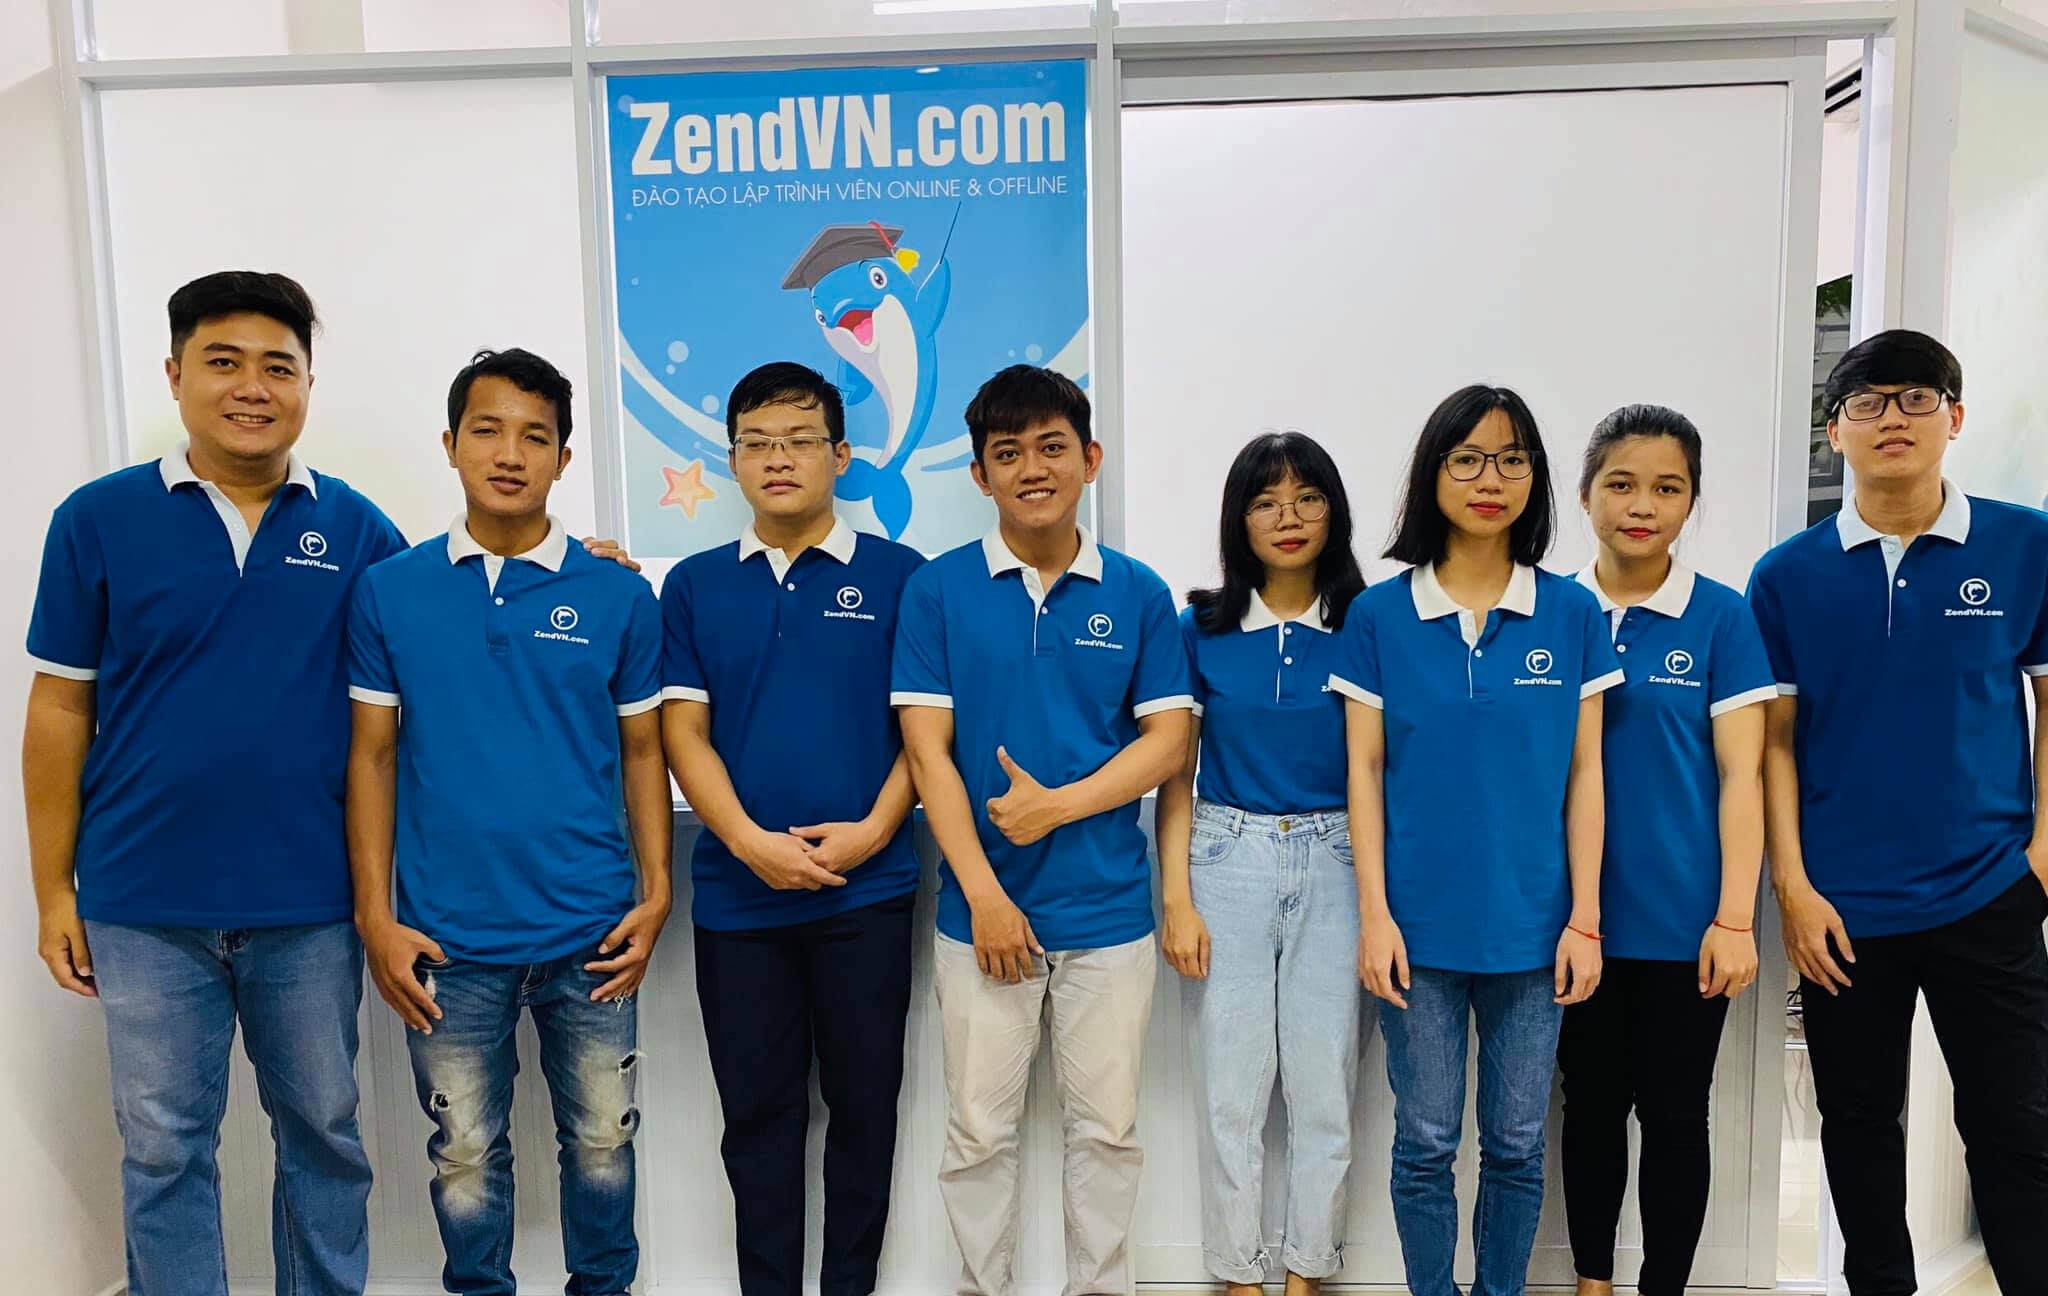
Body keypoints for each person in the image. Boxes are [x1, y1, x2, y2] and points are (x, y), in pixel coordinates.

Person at [24, 272, 400, 1296]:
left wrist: (571, 564)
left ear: (308, 383)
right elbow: (59, 712)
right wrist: (55, 890)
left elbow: (437, 644)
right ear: (175, 374)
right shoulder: (98, 519)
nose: (252, 388)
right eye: (223, 362)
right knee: (162, 1149)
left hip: (310, 900)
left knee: (324, 1133)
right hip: (143, 902)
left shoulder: (358, 530)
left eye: (278, 366)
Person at [346, 348, 671, 1296]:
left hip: (592, 930)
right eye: (487, 430)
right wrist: (375, 916)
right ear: (450, 444)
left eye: (535, 436)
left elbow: (643, 752)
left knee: (604, 1142)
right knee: (464, 1153)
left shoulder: (617, 595)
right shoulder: (390, 590)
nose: (509, 453)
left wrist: (656, 892)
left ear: (563, 459)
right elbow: (371, 756)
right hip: (448, 938)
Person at [1747, 329, 2048, 1295]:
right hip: (1842, 907)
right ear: (1836, 430)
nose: (1893, 418)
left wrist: (2043, 853)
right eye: (1868, 402)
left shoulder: (2026, 544)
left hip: (1989, 891)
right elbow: (1774, 743)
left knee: (2016, 1126)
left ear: (1954, 418)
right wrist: (1793, 887)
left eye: (1918, 397)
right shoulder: (1786, 575)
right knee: (1858, 1126)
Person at [890, 365, 1194, 1296]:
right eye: (1009, 452)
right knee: (978, 1136)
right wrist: (984, 896)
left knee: (1107, 1135)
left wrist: (1057, 805)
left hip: (1108, 915)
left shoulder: (1138, 592)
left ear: (1090, 459)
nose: (1033, 468)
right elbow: (928, 753)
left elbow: (1170, 742)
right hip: (980, 918)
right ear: (980, 475)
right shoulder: (938, 591)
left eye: (1052, 447)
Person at [1329, 384, 1620, 1296]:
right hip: (1415, 931)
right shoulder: (1379, 616)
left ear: (1535, 478)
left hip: (1535, 932)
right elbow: (1363, 773)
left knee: (1519, 1144)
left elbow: (1586, 775)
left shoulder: (1571, 614)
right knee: (1424, 1142)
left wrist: (1584, 919)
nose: (1490, 479)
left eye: (1511, 460)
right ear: (1433, 474)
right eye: (1467, 459)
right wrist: (1375, 916)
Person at [661, 362, 924, 1296]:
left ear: (840, 456)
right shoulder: (693, 585)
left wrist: (874, 830)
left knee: (865, 1114)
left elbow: (925, 734)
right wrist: (746, 842)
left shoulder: (903, 577)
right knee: (757, 1122)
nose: (778, 459)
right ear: (732, 459)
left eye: (800, 440)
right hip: (739, 902)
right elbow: (682, 732)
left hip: (869, 891)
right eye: (757, 443)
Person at [1557, 405, 1775, 1296]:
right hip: (1571, 922)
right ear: (1585, 495)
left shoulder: (1721, 618)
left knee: (1678, 1117)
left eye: (1667, 488)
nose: (1642, 505)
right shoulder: (1551, 611)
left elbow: (1742, 777)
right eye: (1621, 484)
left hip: (1688, 924)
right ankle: (1593, 1283)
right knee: (1588, 1110)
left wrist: (1735, 917)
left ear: (1690, 502)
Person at [1156, 431, 1368, 1295]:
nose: (1289, 517)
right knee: (1232, 1092)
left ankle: (1306, 1274)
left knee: (1324, 1089)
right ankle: (1240, 1278)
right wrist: (1177, 898)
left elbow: (1382, 768)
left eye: (1308, 498)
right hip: (1225, 855)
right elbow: (1175, 771)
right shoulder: (1200, 628)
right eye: (1266, 502)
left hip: (1339, 859)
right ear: (1238, 519)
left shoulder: (1368, 623)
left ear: (1333, 513)